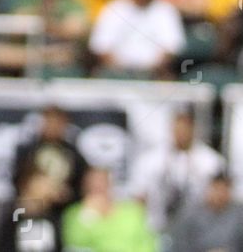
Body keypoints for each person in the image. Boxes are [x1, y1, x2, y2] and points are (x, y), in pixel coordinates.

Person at [129, 106, 225, 236]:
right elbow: (138, 196)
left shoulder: (211, 162)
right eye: (178, 127)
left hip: (197, 231)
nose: (181, 133)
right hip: (157, 227)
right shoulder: (150, 160)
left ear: (194, 129)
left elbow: (220, 199)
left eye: (186, 127)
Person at [9, 103, 88, 248]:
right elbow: (16, 180)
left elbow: (82, 187)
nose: (52, 126)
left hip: (61, 214)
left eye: (56, 122)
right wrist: (33, 193)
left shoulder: (74, 155)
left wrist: (63, 195)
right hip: (29, 210)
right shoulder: (28, 151)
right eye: (48, 121)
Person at [88, 0, 184, 78]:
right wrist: (120, 71)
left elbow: (172, 47)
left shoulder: (165, 10)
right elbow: (101, 46)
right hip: (117, 71)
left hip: (154, 72)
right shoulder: (115, 8)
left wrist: (151, 70)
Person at [61, 166, 158, 252]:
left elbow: (147, 243)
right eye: (93, 185)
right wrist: (89, 214)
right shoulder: (75, 214)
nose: (98, 188)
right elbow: (75, 243)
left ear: (109, 185)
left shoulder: (131, 211)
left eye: (101, 184)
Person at [170, 174, 243, 252]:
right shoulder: (190, 214)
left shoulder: (239, 215)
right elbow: (180, 244)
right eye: (216, 189)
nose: (220, 195)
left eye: (224, 190)